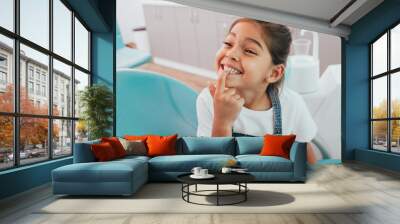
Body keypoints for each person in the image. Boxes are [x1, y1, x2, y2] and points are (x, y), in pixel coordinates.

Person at [196, 18, 317, 160]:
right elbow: (214, 165)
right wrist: (222, 122)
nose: (231, 54)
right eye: (228, 43)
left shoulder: (293, 104)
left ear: (273, 73)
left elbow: (305, 150)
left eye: (249, 51)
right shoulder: (208, 100)